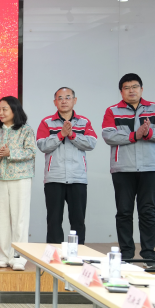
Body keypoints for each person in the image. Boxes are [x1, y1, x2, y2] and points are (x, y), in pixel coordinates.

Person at [102, 73, 155, 260]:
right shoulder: (112, 111)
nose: (131, 90)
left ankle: (148, 255)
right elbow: (108, 135)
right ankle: (126, 254)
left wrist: (148, 133)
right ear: (121, 91)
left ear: (141, 89)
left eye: (135, 87)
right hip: (123, 168)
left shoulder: (154, 108)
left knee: (148, 211)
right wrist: (135, 135)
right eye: (127, 87)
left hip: (150, 168)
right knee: (124, 212)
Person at [37, 88, 97, 244]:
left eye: (68, 97)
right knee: (53, 221)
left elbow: (91, 143)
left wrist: (72, 135)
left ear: (74, 100)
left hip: (77, 178)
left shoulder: (84, 122)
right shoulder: (46, 122)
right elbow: (42, 145)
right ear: (55, 102)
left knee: (78, 221)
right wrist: (60, 134)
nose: (64, 101)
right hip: (54, 178)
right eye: (60, 98)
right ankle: (54, 255)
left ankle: (76, 253)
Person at [0, 96, 35, 271]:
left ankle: (18, 258)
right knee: (2, 219)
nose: (1, 112)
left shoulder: (26, 130)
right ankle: (4, 256)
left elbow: (31, 152)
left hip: (20, 178)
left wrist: (10, 153)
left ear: (14, 110)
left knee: (19, 219)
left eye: (4, 109)